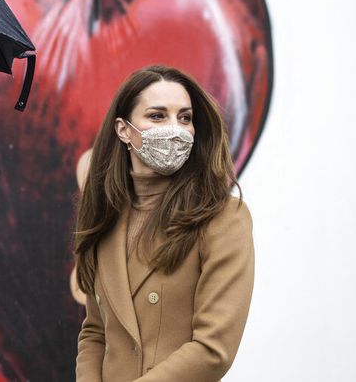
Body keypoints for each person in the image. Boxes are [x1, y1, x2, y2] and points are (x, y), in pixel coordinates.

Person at [74, 65, 254, 381]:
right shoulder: (106, 218)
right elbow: (95, 333)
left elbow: (214, 349)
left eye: (184, 118)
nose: (175, 128)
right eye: (158, 116)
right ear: (123, 130)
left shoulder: (223, 217)